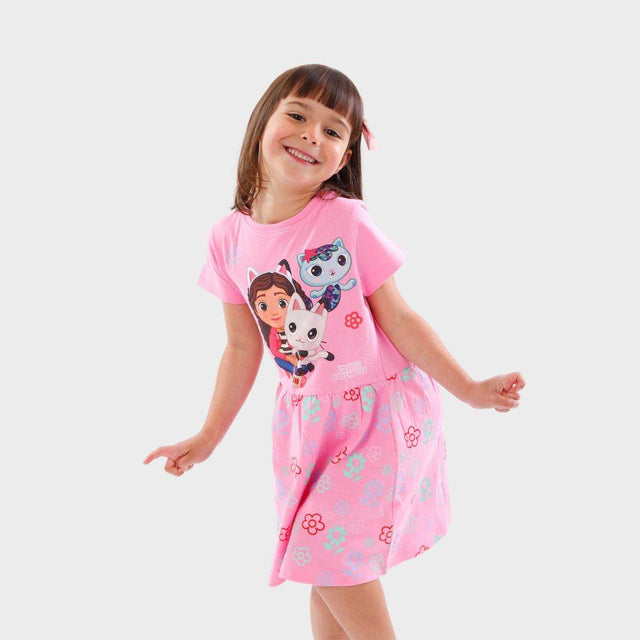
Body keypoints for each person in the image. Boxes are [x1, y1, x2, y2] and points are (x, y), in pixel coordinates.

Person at [143, 63, 526, 640]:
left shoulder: (344, 219)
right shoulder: (227, 238)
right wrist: (207, 437)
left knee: (326, 556)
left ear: (344, 156)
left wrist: (469, 389)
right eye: (298, 116)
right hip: (306, 423)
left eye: (331, 130)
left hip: (377, 414)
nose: (310, 136)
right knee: (324, 562)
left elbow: (399, 318)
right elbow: (241, 347)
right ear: (262, 121)